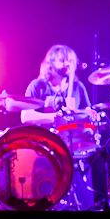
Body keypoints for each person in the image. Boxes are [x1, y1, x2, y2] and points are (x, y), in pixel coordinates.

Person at [20, 44, 96, 210]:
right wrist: (53, 118)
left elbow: (87, 115)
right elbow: (25, 117)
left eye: (70, 61)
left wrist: (88, 116)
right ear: (51, 63)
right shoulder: (37, 86)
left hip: (74, 150)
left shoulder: (78, 87)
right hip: (44, 151)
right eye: (63, 60)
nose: (67, 64)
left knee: (84, 202)